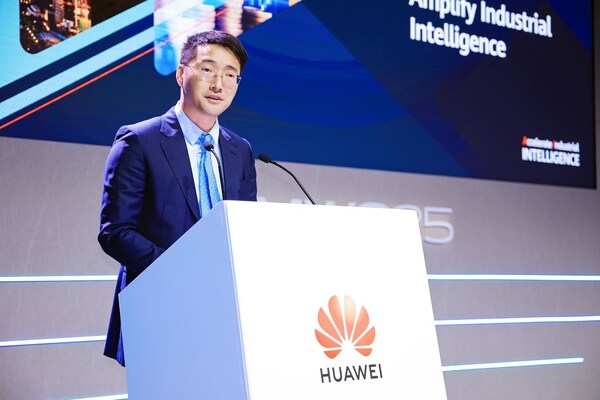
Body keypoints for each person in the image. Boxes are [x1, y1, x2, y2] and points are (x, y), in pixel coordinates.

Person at [98, 31, 257, 366]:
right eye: (207, 69)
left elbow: (245, 232)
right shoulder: (139, 141)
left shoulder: (240, 150)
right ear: (181, 73)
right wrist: (181, 271)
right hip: (160, 307)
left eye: (230, 75)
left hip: (224, 312)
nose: (219, 84)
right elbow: (115, 231)